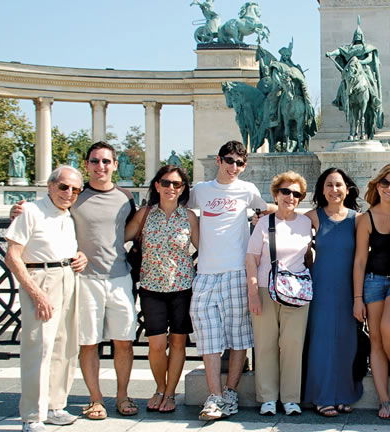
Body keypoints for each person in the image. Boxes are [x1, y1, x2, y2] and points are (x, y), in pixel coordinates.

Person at [13, 142, 140, 419]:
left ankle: (122, 396)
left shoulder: (126, 197)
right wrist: (19, 212)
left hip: (119, 276)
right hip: (82, 279)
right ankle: (96, 399)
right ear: (87, 165)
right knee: (87, 343)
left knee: (124, 341)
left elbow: (131, 231)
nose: (100, 167)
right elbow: (45, 213)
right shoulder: (74, 196)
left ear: (115, 165)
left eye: (106, 161)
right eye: (95, 161)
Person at [188, 141, 274, 421]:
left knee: (239, 336)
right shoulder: (200, 191)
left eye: (239, 163)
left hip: (237, 271)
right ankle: (214, 396)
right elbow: (181, 210)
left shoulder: (248, 190)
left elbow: (267, 210)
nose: (233, 167)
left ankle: (230, 392)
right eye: (228, 160)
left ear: (244, 166)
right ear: (218, 160)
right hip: (205, 274)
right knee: (209, 338)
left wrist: (278, 206)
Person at [6, 166, 88, 432]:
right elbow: (12, 256)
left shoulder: (67, 215)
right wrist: (36, 292)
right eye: (64, 187)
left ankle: (55, 406)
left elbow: (62, 247)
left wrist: (79, 257)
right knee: (38, 349)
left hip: (68, 277)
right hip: (41, 281)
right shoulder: (30, 211)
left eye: (75, 189)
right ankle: (32, 416)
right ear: (50, 185)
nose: (69, 193)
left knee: (65, 346)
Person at [125, 165, 198, 413]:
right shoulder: (144, 214)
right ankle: (159, 387)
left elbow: (204, 247)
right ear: (157, 185)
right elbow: (118, 237)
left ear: (183, 189)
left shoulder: (189, 217)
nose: (170, 188)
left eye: (176, 184)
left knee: (177, 343)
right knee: (156, 344)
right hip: (151, 287)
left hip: (181, 287)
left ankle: (170, 394)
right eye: (166, 183)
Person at [246, 171, 313, 416]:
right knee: (265, 344)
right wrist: (253, 292)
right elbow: (251, 258)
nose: (291, 197)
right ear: (276, 194)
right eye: (286, 191)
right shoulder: (265, 222)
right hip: (266, 287)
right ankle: (267, 397)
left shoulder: (306, 222)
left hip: (297, 291)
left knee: (293, 344)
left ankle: (291, 398)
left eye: (296, 193)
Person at [352, 164, 390, 419]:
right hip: (374, 281)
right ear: (377, 185)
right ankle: (384, 400)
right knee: (376, 339)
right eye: (385, 183)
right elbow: (360, 261)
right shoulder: (367, 218)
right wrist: (357, 298)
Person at [303, 167, 363, 417]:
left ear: (347, 189)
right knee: (321, 343)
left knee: (346, 343)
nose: (334, 189)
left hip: (349, 288)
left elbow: (362, 257)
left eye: (338, 185)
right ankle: (322, 396)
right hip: (321, 287)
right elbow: (286, 221)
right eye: (329, 185)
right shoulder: (312, 217)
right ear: (322, 190)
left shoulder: (358, 218)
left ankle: (342, 393)